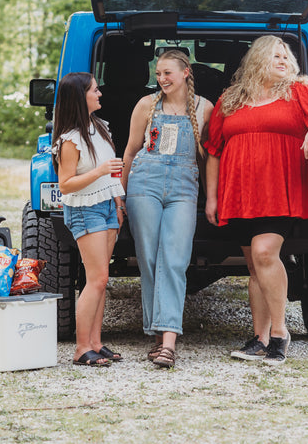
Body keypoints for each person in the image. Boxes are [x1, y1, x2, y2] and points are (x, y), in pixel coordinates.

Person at [203, 36, 308, 365]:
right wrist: (212, 198)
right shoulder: (231, 99)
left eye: (286, 56)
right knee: (254, 266)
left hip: (280, 190)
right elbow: (213, 152)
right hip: (239, 193)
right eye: (275, 55)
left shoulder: (300, 91)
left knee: (266, 254)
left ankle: (279, 334)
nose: (283, 60)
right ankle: (259, 338)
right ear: (257, 60)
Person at [121, 49, 214, 368]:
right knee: (148, 258)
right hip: (144, 182)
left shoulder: (205, 108)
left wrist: (211, 197)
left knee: (175, 258)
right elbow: (131, 152)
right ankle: (159, 335)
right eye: (158, 73)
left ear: (186, 72)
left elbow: (208, 159)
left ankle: (169, 339)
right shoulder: (146, 105)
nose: (161, 79)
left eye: (167, 73)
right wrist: (119, 196)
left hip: (184, 187)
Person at [52, 72, 126, 367]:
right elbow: (65, 184)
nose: (100, 94)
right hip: (85, 208)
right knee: (96, 279)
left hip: (107, 206)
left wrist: (118, 203)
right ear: (80, 97)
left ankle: (96, 343)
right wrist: (100, 171)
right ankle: (82, 349)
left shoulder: (99, 128)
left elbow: (112, 173)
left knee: (101, 279)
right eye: (95, 90)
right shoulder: (69, 139)